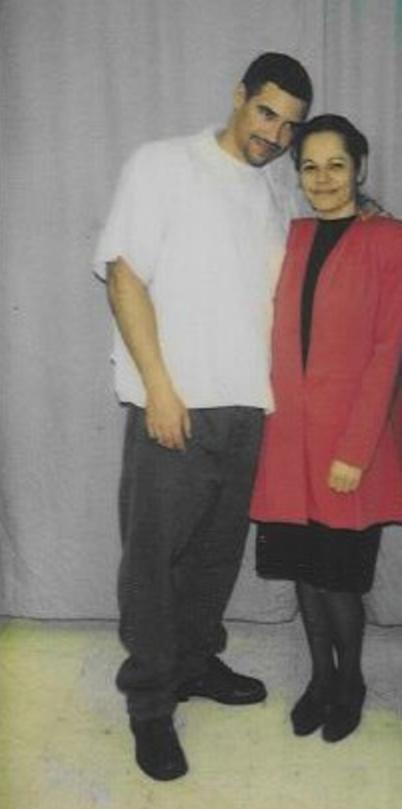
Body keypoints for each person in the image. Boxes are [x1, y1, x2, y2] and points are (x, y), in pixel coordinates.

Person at [94, 52, 312, 780]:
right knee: (154, 560)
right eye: (266, 113)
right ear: (239, 95)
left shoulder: (276, 191)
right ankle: (150, 703)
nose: (274, 135)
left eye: (289, 126)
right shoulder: (162, 163)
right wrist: (159, 388)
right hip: (177, 405)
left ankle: (192, 661)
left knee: (216, 555)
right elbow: (124, 275)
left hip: (249, 406)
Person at [251, 114, 402, 744]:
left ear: (359, 167)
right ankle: (318, 679)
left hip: (349, 444)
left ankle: (351, 684)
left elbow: (388, 354)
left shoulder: (390, 240)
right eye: (309, 167)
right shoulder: (292, 236)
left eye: (336, 165)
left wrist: (355, 451)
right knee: (304, 573)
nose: (323, 179)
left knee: (338, 578)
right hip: (289, 443)